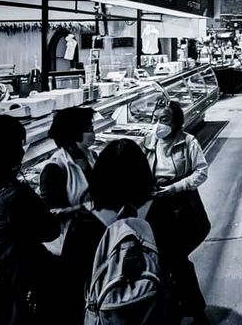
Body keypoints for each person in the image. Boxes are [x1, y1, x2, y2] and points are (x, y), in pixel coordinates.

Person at [60, 138, 166, 325]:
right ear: (143, 173)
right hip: (151, 305)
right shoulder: (158, 210)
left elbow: (71, 276)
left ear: (100, 176)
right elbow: (174, 258)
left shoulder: (86, 220)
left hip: (105, 312)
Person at [143, 101, 210, 325]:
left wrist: (175, 187)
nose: (158, 125)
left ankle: (195, 310)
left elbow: (201, 172)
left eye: (164, 120)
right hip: (157, 209)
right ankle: (180, 305)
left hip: (182, 207)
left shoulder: (188, 142)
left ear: (177, 123)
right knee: (169, 260)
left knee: (176, 260)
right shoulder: (149, 142)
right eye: (155, 119)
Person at [0, 115, 60, 324]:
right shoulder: (17, 195)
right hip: (19, 283)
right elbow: (51, 231)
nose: (24, 151)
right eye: (20, 144)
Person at [40, 106, 97, 255]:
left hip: (90, 234)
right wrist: (83, 208)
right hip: (67, 245)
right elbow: (51, 213)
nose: (93, 133)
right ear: (74, 134)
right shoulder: (55, 168)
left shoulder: (92, 156)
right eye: (89, 129)